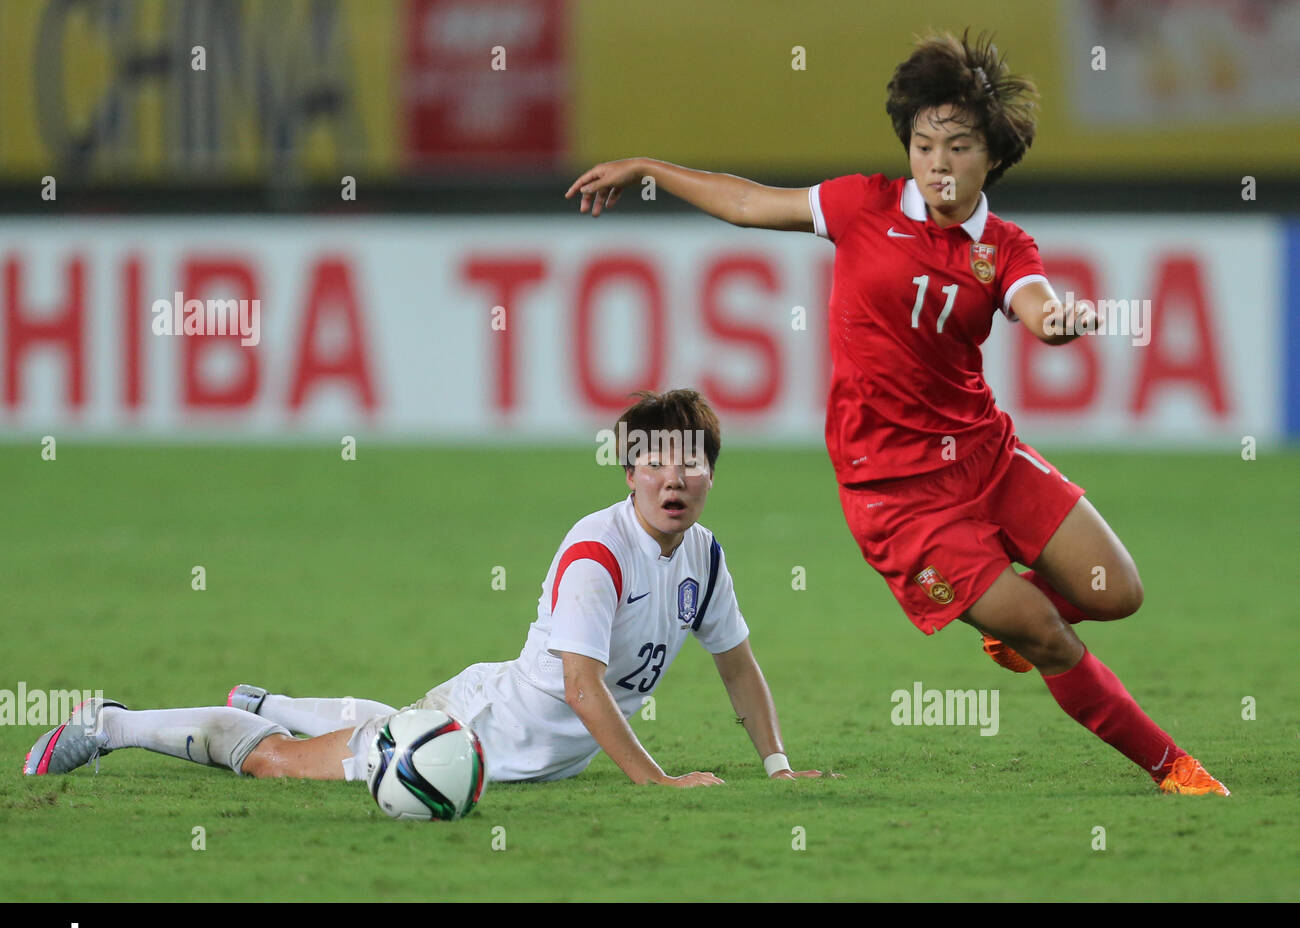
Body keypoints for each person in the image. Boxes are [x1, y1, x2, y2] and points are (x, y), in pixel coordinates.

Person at [565, 30, 1227, 795]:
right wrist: (649, 168)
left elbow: (1036, 306)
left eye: (959, 146)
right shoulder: (862, 206)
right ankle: (1173, 768)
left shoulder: (1004, 246)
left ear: (993, 156)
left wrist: (1058, 322)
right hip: (897, 497)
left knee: (1118, 592)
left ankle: (1010, 626)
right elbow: (748, 202)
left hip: (987, 455)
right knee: (1049, 635)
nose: (938, 163)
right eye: (924, 145)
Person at [24, 390, 824, 789]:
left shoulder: (705, 558)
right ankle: (119, 725)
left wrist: (779, 766)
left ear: (711, 474)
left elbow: (738, 666)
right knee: (285, 766)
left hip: (510, 736)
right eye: (654, 462)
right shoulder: (599, 553)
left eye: (690, 463)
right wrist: (658, 783)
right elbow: (582, 685)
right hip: (470, 732)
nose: (673, 478)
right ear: (628, 471)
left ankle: (268, 697)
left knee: (363, 724)